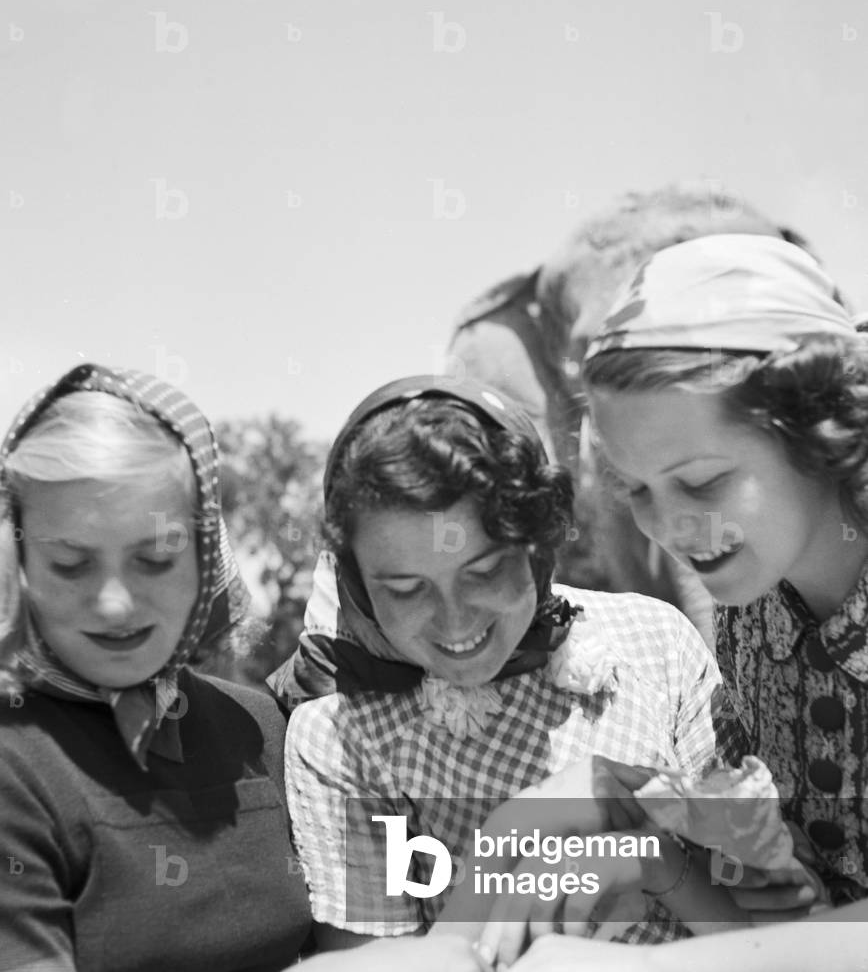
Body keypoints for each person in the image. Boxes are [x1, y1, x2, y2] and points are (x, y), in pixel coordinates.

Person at [0, 364, 495, 972]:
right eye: (70, 564)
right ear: (20, 567)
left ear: (206, 554)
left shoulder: (262, 728)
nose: (114, 602)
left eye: (153, 558)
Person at [270, 375, 733, 952]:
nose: (455, 621)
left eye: (485, 571)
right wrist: (510, 836)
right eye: (406, 589)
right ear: (357, 586)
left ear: (538, 544)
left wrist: (650, 854)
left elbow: (766, 935)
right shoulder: (340, 739)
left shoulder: (652, 642)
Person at [550, 233, 868, 969]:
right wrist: (635, 808)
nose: (666, 526)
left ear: (818, 427)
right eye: (635, 488)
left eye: (700, 481)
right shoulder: (751, 601)